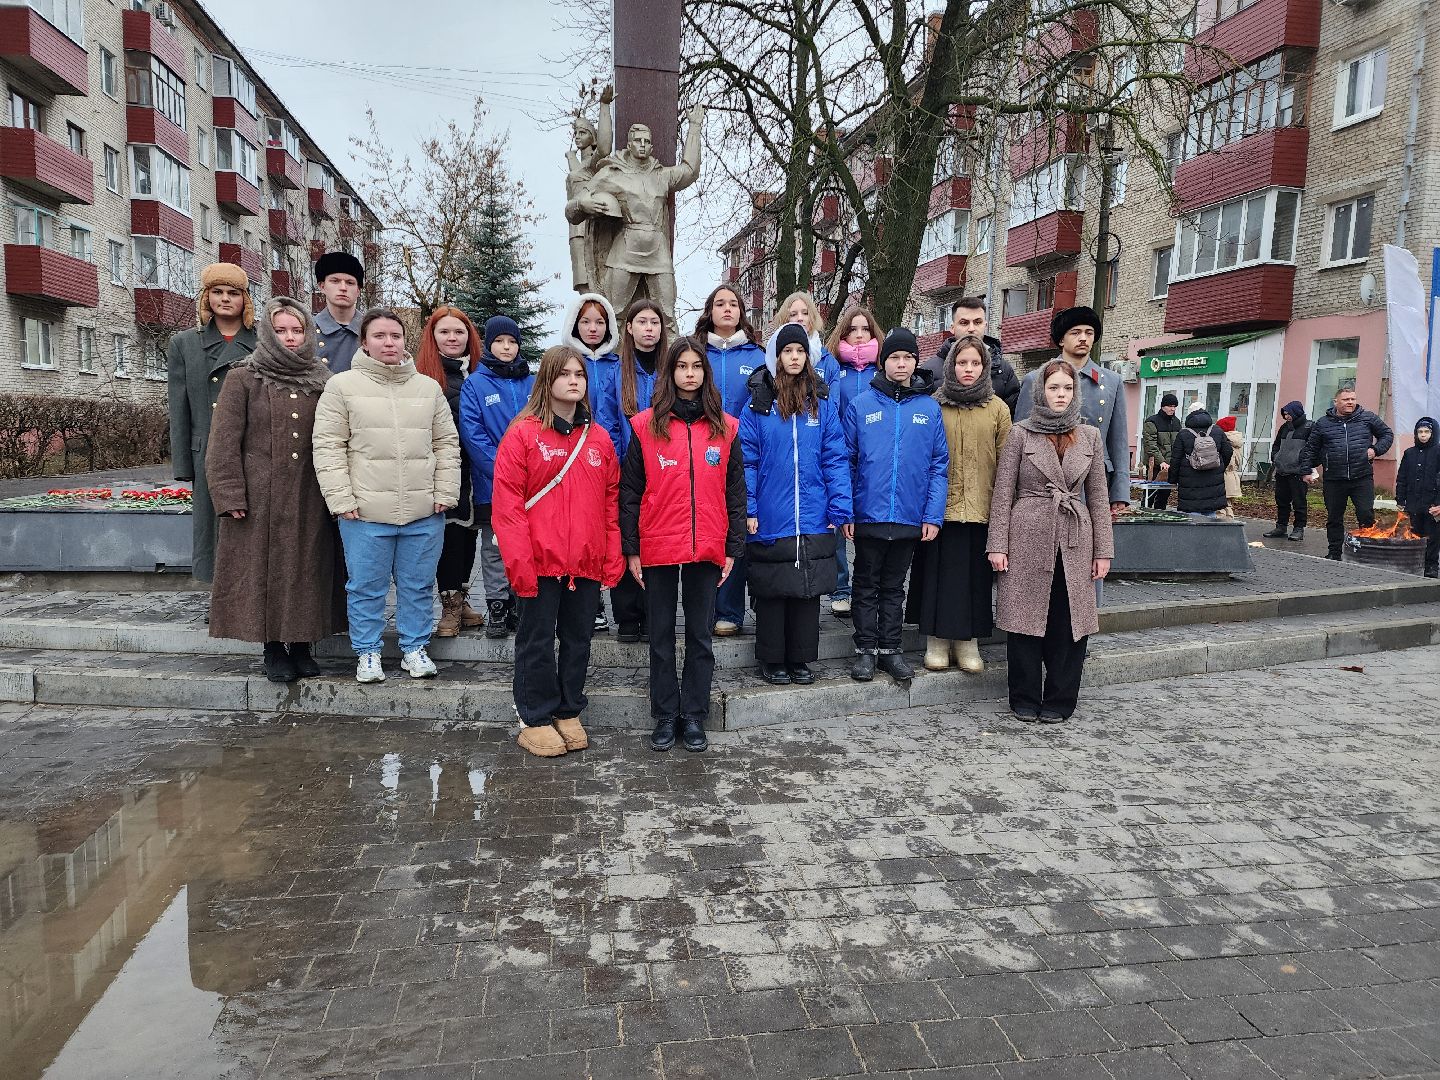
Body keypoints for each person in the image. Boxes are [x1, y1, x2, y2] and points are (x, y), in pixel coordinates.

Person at [312, 308, 460, 683]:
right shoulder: (342, 386)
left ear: (404, 340)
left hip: (423, 511)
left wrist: (445, 491)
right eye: (379, 336)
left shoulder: (427, 388)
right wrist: (341, 500)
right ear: (365, 342)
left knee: (417, 584)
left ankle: (414, 648)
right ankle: (368, 652)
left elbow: (446, 443)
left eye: (395, 336)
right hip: (365, 513)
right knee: (365, 586)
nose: (388, 343)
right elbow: (328, 446)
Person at [492, 346, 623, 758]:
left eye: (579, 375)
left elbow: (610, 502)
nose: (573, 381)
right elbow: (508, 505)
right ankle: (534, 715)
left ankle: (569, 707)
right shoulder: (524, 434)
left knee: (577, 639)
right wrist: (519, 563)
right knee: (535, 640)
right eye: (563, 374)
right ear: (546, 381)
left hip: (583, 562)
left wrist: (611, 554)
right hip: (539, 562)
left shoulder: (599, 438)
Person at [206, 297, 344, 681]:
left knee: (306, 567)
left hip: (310, 494)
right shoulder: (243, 378)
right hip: (259, 496)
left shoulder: (324, 381)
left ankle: (302, 645)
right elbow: (223, 443)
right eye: (281, 330)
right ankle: (272, 648)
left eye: (297, 330)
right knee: (264, 569)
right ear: (267, 333)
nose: (290, 338)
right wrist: (229, 493)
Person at [620, 337, 746, 752]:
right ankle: (664, 714)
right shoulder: (645, 425)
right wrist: (631, 547)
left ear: (705, 373)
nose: (689, 373)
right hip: (657, 543)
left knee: (699, 635)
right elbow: (631, 491)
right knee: (659, 635)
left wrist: (732, 546)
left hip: (707, 544)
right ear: (669, 373)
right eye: (681, 366)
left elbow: (735, 490)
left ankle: (693, 714)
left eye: (696, 366)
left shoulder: (725, 428)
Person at [988, 359, 1114, 723]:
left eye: (1067, 388)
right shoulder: (1019, 433)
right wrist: (997, 544)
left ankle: (1061, 699)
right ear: (1040, 391)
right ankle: (1023, 696)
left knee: (1069, 619)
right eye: (1053, 387)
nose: (1060, 395)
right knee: (1024, 619)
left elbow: (1099, 497)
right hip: (1027, 532)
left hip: (1076, 537)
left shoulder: (1089, 436)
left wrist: (1103, 550)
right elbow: (1002, 492)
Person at [741, 324, 851, 685]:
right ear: (776, 356)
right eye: (787, 351)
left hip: (814, 512)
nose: (794, 357)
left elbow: (835, 458)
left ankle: (800, 657)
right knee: (774, 587)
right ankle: (772, 658)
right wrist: (750, 508)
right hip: (773, 513)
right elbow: (747, 461)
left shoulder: (820, 402)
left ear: (807, 357)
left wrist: (840, 508)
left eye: (800, 351)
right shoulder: (758, 404)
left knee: (806, 589)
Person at [841, 329, 948, 683]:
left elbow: (938, 465)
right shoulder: (862, 405)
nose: (901, 364)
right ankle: (865, 650)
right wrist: (848, 512)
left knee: (893, 586)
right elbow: (848, 461)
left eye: (907, 358)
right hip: (868, 515)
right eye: (894, 358)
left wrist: (932, 515)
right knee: (865, 583)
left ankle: (890, 648)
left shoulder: (929, 408)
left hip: (909, 515)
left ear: (916, 361)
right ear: (882, 361)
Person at [906, 334, 1012, 674]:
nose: (968, 369)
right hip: (941, 510)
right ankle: (937, 641)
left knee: (974, 581)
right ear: (950, 366)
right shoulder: (933, 405)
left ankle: (968, 643)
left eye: (975, 363)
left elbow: (1007, 463)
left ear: (985, 368)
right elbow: (922, 459)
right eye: (962, 363)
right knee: (938, 578)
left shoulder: (997, 409)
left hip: (982, 510)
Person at [167, 262, 258, 584]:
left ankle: (251, 593)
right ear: (206, 298)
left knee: (252, 525)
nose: (225, 299)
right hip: (207, 448)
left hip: (253, 450)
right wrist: (183, 462)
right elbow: (179, 406)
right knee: (212, 525)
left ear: (245, 300)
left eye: (233, 293)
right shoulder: (185, 343)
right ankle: (219, 597)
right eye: (217, 292)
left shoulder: (261, 341)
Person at [458, 316, 535, 637]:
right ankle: (497, 607)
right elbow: (473, 434)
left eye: (512, 342)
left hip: (534, 485)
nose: (506, 347)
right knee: (495, 547)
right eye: (500, 341)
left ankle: (520, 604)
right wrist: (505, 471)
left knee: (526, 546)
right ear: (489, 344)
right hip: (493, 485)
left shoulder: (530, 382)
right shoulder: (475, 383)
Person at [598, 298, 669, 642]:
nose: (648, 329)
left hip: (664, 472)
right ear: (629, 328)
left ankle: (656, 613)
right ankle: (627, 616)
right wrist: (618, 463)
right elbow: (608, 422)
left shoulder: (670, 369)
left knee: (657, 543)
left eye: (654, 323)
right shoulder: (616, 371)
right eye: (641, 322)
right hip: (626, 470)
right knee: (627, 539)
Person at [697, 284, 766, 635]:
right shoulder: (696, 352)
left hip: (741, 451)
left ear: (742, 312)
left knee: (734, 528)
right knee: (704, 528)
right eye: (719, 304)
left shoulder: (756, 356)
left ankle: (729, 611)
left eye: (733, 304)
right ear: (710, 311)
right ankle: (702, 607)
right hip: (699, 451)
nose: (727, 309)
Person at [1015, 307, 1131, 511]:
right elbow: (1022, 438)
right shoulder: (1036, 380)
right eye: (1075, 333)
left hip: (1093, 481)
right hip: (1047, 480)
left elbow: (1118, 440)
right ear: (1061, 339)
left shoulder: (1112, 382)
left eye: (1089, 332)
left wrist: (1120, 492)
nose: (1083, 338)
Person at [415, 306, 486, 636]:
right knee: (446, 537)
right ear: (433, 337)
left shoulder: (479, 373)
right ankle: (449, 605)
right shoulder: (422, 376)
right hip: (439, 470)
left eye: (459, 332)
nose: (453, 338)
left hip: (474, 472)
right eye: (445, 332)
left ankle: (461, 597)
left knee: (466, 535)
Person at [824, 304, 883, 617]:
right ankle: (840, 589)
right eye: (852, 329)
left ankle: (866, 589)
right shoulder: (836, 371)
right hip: (841, 459)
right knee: (838, 525)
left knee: (869, 530)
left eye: (865, 329)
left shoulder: (883, 371)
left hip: (874, 464)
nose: (859, 336)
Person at [1299, 384, 1395, 560]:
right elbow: (1311, 449)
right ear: (1336, 402)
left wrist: (1375, 449)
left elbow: (1387, 434)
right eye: (1346, 400)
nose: (1350, 402)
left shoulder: (1367, 418)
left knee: (1365, 513)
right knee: (1334, 517)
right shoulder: (1323, 423)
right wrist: (1306, 470)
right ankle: (1334, 552)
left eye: (1353, 399)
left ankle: (1366, 550)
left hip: (1362, 477)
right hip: (1334, 479)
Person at [919, 297, 1021, 415]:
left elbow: (1012, 419)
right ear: (952, 327)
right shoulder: (929, 371)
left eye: (977, 322)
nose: (971, 329)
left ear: (985, 325)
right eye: (964, 323)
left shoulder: (1003, 370)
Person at [1169, 404, 1233, 517]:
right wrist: (1220, 467)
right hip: (1213, 478)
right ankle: (1209, 534)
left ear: (1189, 415)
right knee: (1210, 511)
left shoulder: (1183, 433)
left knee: (1192, 512)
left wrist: (1173, 480)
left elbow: (1175, 459)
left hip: (1190, 481)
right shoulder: (1217, 431)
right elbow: (1228, 451)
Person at [1396, 417, 1440, 577]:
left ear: (1433, 433)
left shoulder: (1438, 451)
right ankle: (1417, 565)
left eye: (1427, 432)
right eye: (1420, 432)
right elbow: (1402, 478)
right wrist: (1400, 499)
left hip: (1433, 505)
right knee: (1416, 534)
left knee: (1433, 537)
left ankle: (1431, 566)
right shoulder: (1410, 453)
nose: (1423, 435)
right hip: (1414, 503)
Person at [1264, 401, 1313, 541]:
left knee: (1299, 502)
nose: (1286, 417)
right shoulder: (1284, 427)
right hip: (1282, 470)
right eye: (1284, 414)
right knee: (1282, 501)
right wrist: (1275, 457)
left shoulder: (1309, 427)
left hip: (1298, 472)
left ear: (1296, 412)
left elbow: (1313, 449)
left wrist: (1305, 465)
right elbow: (1277, 445)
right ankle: (1281, 526)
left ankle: (1299, 529)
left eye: (1288, 414)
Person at [769, 291, 841, 386]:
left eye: (805, 313)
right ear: (785, 319)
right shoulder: (772, 356)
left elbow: (832, 399)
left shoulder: (828, 362)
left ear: (812, 317)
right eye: (793, 314)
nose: (800, 318)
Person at [313, 251, 365, 374]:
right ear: (322, 286)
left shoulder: (372, 330)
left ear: (358, 290)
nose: (343, 288)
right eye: (335, 281)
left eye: (350, 282)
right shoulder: (305, 329)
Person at [1140, 393, 1182, 510]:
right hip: (1155, 465)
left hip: (1170, 465)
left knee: (1164, 496)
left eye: (1174, 406)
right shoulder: (1152, 422)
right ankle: (1144, 516)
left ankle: (1160, 519)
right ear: (1163, 406)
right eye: (1170, 406)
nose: (1172, 409)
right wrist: (1161, 461)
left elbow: (1179, 443)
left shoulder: (1176, 422)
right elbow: (1150, 445)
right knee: (1150, 495)